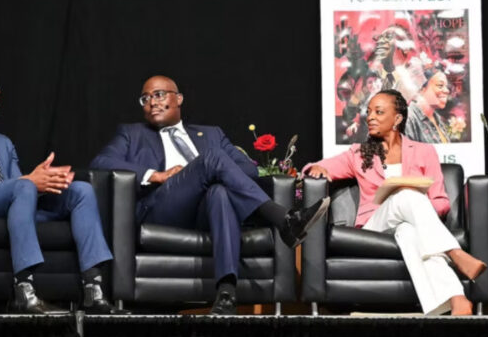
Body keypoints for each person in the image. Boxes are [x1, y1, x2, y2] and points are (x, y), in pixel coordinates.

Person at [90, 75, 329, 315]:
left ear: (179, 98)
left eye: (159, 94)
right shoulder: (132, 134)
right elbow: (101, 162)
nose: (152, 102)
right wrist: (156, 175)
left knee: (219, 192)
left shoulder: (211, 134)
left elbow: (249, 169)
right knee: (212, 158)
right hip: (162, 207)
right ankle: (283, 219)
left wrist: (212, 172)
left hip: (206, 211)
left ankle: (226, 294)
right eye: (145, 98)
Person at [0, 64, 123, 314]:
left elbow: (20, 187)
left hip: (13, 203)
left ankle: (93, 290)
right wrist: (30, 181)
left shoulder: (2, 141)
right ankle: (23, 290)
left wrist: (43, 182)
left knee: (80, 190)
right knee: (26, 185)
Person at [305, 90, 486, 315]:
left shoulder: (424, 152)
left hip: (410, 223)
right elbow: (315, 166)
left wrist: (417, 209)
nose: (370, 117)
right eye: (369, 112)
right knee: (406, 195)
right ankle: (455, 253)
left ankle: (455, 300)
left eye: (379, 112)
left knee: (409, 230)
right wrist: (318, 168)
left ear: (397, 118)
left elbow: (440, 201)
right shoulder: (358, 153)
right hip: (375, 225)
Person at [404, 68, 451, 143]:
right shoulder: (408, 119)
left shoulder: (438, 119)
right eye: (440, 85)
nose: (447, 90)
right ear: (422, 89)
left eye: (446, 86)